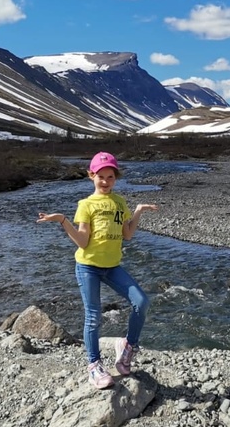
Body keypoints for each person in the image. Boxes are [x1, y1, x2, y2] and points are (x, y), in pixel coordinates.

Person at [36, 152, 158, 389]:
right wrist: (62, 220)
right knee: (93, 317)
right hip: (88, 267)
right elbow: (82, 241)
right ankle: (94, 366)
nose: (105, 181)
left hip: (112, 266)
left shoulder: (120, 202)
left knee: (141, 302)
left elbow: (128, 234)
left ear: (115, 177)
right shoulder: (86, 205)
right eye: (100, 176)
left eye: (110, 176)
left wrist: (139, 211)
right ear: (91, 176)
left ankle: (127, 347)